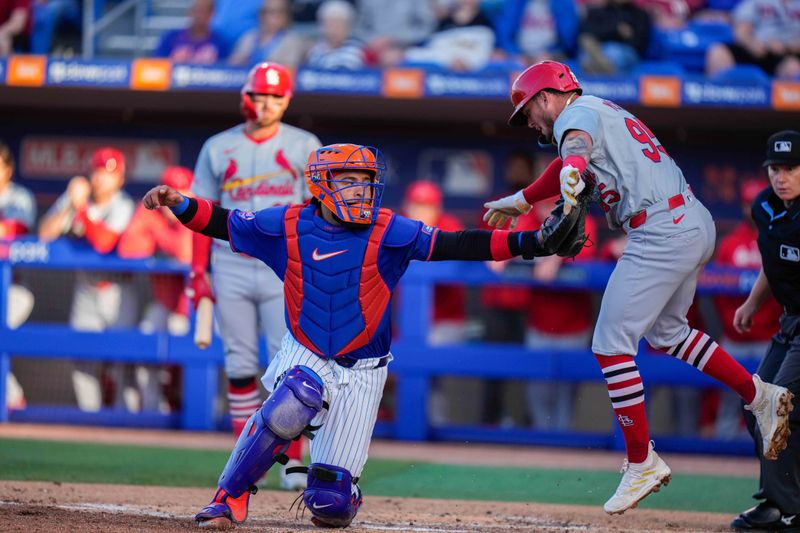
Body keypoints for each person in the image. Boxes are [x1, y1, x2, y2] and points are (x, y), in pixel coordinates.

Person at [142, 142, 576, 529]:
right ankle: (228, 497)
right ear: (320, 184)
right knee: (295, 397)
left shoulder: (389, 228)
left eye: (366, 180)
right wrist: (179, 203)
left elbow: (458, 243)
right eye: (347, 179)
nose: (360, 188)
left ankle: (339, 491)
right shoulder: (289, 224)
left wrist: (534, 242)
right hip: (306, 350)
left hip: (365, 369)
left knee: (328, 504)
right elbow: (225, 222)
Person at [482, 60, 794, 515]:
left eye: (528, 109)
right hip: (688, 221)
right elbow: (570, 161)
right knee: (669, 334)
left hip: (660, 229)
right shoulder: (597, 111)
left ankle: (640, 460)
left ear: (546, 97)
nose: (528, 120)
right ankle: (760, 396)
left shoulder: (575, 115)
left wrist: (570, 164)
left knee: (610, 344)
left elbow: (575, 144)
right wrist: (522, 198)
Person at [189, 62, 321, 490]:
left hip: (284, 264)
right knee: (240, 364)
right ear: (247, 96)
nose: (266, 103)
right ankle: (246, 462)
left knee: (291, 366)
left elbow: (319, 213)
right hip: (230, 260)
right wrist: (197, 270)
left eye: (275, 95)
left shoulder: (304, 145)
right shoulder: (218, 146)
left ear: (287, 99)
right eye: (260, 95)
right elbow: (200, 214)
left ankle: (293, 461)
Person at [730, 130, 800, 533]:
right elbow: (772, 263)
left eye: (791, 168)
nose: (781, 176)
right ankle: (778, 503)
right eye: (775, 167)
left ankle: (791, 508)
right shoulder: (765, 207)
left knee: (777, 406)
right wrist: (753, 303)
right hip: (789, 321)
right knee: (756, 402)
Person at [38, 146, 136, 412]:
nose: (102, 178)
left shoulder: (123, 205)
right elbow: (44, 234)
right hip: (86, 288)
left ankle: (126, 424)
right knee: (82, 360)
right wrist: (71, 203)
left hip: (118, 290)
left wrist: (80, 207)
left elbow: (105, 242)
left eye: (109, 173)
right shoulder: (75, 198)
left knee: (123, 362)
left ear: (120, 178)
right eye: (98, 171)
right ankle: (91, 421)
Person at [117, 166, 195, 413]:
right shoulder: (151, 214)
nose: (174, 198)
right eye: (170, 192)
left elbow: (186, 255)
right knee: (146, 337)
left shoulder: (199, 213)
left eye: (182, 192)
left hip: (197, 307)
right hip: (166, 304)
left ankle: (196, 409)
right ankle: (152, 408)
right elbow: (127, 250)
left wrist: (175, 223)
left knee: (190, 348)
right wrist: (151, 219)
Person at [712, 179, 784, 440]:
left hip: (768, 340)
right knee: (730, 403)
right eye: (747, 204)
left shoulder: (775, 236)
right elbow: (716, 292)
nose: (752, 209)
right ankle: (720, 461)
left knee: (769, 407)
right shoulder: (730, 243)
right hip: (736, 338)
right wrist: (731, 324)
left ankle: (763, 458)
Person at [524, 197, 598, 431]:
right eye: (542, 206)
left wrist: (557, 257)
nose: (546, 211)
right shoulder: (532, 222)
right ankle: (542, 451)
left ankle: (563, 456)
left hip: (573, 327)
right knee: (538, 393)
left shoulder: (583, 221)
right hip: (538, 324)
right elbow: (511, 241)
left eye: (551, 206)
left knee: (566, 398)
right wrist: (501, 255)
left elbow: (586, 245)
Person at [401, 180, 467, 424]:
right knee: (407, 375)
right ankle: (418, 431)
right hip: (410, 320)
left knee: (431, 378)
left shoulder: (450, 226)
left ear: (437, 208)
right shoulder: (401, 228)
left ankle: (436, 432)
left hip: (446, 320)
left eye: (426, 206)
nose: (420, 211)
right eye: (416, 205)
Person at [0, 140, 36, 411]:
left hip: (14, 290)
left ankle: (12, 397)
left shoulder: (19, 196)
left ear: (8, 169)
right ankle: (14, 397)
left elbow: (13, 231)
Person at [705, 0, 800, 80]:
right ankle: (718, 97)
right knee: (718, 52)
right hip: (755, 49)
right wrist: (751, 43)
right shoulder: (755, 1)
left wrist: (786, 47)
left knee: (793, 67)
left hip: (789, 54)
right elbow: (741, 31)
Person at [228, 0, 308, 68]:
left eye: (278, 12)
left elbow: (290, 68)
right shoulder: (249, 37)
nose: (271, 17)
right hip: (247, 82)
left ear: (285, 16)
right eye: (266, 12)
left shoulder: (292, 41)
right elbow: (233, 64)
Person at [153, 0, 230, 65]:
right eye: (198, 10)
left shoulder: (221, 43)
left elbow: (225, 70)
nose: (200, 15)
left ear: (212, 14)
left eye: (205, 11)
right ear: (190, 12)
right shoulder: (171, 37)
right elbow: (157, 65)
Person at [304, 0, 367, 70]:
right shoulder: (316, 51)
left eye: (338, 25)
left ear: (348, 28)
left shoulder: (357, 51)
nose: (333, 30)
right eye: (330, 24)